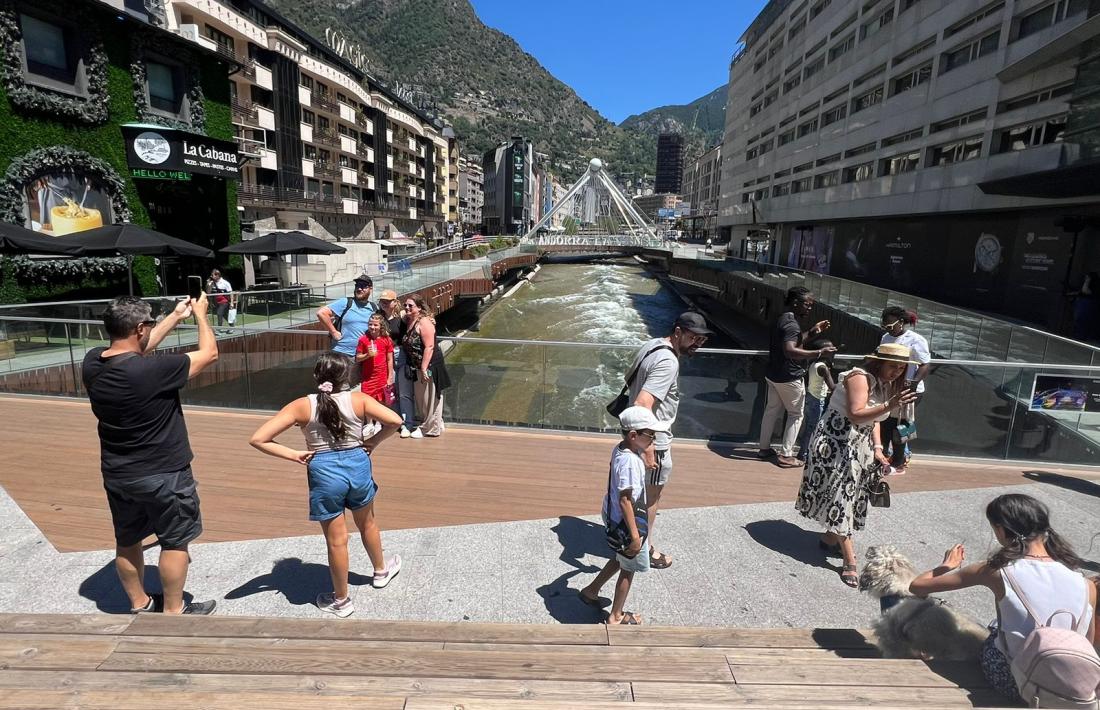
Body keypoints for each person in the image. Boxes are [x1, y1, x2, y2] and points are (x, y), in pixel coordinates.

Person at [82, 294, 220, 615]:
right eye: (149, 326)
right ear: (140, 328)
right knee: (175, 542)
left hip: (118, 474)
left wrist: (174, 316)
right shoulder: (154, 370)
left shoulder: (92, 363)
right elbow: (210, 354)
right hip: (165, 474)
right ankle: (174, 612)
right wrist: (201, 315)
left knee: (128, 540)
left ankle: (140, 604)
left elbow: (136, 349)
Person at [249, 353, 404, 617]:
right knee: (367, 523)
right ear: (347, 377)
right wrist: (373, 442)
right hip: (357, 465)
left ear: (316, 377)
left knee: (336, 540)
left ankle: (341, 601)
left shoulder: (301, 406)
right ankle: (380, 572)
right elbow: (396, 421)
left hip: (323, 471)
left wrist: (295, 454)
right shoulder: (360, 400)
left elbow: (259, 439)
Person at [909, 493, 1097, 701]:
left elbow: (917, 587)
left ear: (1000, 529)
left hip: (1015, 681)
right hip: (1069, 686)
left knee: (994, 629)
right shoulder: (1086, 584)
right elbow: (1085, 644)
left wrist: (946, 566)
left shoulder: (996, 571)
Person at [795, 343, 918, 588]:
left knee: (850, 495)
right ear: (878, 362)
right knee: (842, 497)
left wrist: (878, 448)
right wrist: (890, 405)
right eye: (893, 366)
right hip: (835, 440)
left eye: (901, 368)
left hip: (858, 443)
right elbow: (856, 413)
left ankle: (831, 537)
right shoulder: (859, 377)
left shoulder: (886, 384)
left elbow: (875, 420)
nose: (896, 372)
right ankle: (850, 560)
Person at [627, 311, 712, 570]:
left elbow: (628, 380)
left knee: (635, 492)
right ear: (677, 332)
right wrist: (650, 446)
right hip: (654, 438)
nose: (697, 343)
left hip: (634, 436)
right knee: (651, 497)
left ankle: (631, 537)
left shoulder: (651, 345)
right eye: (693, 337)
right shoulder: (669, 362)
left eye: (702, 339)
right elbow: (643, 403)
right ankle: (643, 548)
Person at [579, 406, 671, 625]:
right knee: (629, 568)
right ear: (633, 435)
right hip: (626, 521)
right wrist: (636, 537)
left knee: (622, 557)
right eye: (650, 434)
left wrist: (645, 459)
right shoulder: (630, 461)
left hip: (612, 514)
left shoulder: (622, 449)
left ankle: (591, 591)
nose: (653, 439)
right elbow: (626, 499)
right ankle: (616, 616)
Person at [759, 287, 835, 468]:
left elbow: (793, 340)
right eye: (807, 304)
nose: (810, 308)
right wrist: (819, 352)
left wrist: (814, 331)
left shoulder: (782, 318)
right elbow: (790, 350)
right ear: (795, 303)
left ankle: (763, 448)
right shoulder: (792, 324)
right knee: (796, 414)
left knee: (771, 411)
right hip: (789, 377)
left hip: (773, 374)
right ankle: (786, 456)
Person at [879, 306, 931, 474]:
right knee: (884, 421)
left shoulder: (916, 340)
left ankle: (899, 462)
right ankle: (883, 457)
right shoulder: (885, 338)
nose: (887, 329)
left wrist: (913, 383)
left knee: (901, 425)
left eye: (890, 325)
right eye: (885, 325)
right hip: (889, 387)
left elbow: (925, 364)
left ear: (900, 323)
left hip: (909, 389)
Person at [400, 296, 450, 438]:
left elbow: (429, 346)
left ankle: (430, 428)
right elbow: (400, 313)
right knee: (423, 398)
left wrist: (423, 368)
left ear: (419, 307)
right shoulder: (410, 320)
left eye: (411, 306)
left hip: (429, 366)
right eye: (406, 305)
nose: (407, 308)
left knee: (430, 398)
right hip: (417, 366)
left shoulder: (424, 322)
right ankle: (434, 422)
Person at [795, 338, 836, 463]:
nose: (833, 350)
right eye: (830, 349)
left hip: (810, 397)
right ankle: (804, 454)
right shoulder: (823, 368)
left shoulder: (813, 364)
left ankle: (804, 451)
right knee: (813, 429)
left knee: (809, 427)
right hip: (817, 401)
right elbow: (832, 387)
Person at [317, 274, 376, 359]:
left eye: (363, 286)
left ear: (370, 289)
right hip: (341, 354)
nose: (359, 289)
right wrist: (334, 332)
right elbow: (322, 313)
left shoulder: (374, 307)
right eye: (357, 286)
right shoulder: (346, 302)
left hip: (363, 356)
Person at [355, 313, 395, 403]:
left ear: (381, 326)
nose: (372, 327)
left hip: (382, 378)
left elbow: (389, 359)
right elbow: (357, 358)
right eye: (370, 324)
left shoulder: (386, 339)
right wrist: (367, 355)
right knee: (368, 403)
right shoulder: (363, 340)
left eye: (375, 325)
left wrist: (390, 377)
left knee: (384, 403)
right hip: (368, 378)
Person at [1069, 271, 1099, 342]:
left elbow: (1085, 291)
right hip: (1082, 303)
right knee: (1078, 320)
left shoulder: (1094, 285)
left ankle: (1079, 338)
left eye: (1087, 276)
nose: (1085, 278)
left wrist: (1087, 280)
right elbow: (1081, 292)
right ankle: (1077, 336)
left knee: (1081, 321)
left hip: (1086, 305)